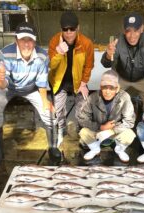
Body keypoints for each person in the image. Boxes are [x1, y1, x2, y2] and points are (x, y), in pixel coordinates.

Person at [0, 22, 60, 166]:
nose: (26, 44)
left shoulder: (42, 55)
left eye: (30, 40)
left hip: (32, 88)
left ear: (35, 41)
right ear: (16, 40)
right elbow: (3, 84)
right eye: (23, 40)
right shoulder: (6, 53)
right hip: (9, 87)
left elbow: (41, 82)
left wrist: (45, 102)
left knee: (50, 113)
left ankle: (53, 147)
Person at [48, 11, 94, 147]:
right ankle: (61, 130)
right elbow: (52, 65)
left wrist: (84, 83)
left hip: (78, 82)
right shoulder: (54, 41)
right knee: (59, 109)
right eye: (65, 29)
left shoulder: (86, 43)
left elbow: (89, 65)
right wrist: (59, 52)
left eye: (72, 29)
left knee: (82, 108)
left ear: (78, 28)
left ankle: (82, 133)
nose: (68, 33)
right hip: (59, 82)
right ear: (61, 29)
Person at [101, 13, 144, 108]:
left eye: (136, 30)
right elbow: (106, 64)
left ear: (142, 28)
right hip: (121, 77)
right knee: (113, 103)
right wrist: (108, 55)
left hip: (142, 78)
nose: (132, 35)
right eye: (128, 31)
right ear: (124, 30)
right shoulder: (117, 41)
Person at [76, 70, 136, 163]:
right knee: (83, 132)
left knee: (130, 134)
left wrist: (112, 130)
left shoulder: (124, 97)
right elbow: (82, 119)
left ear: (117, 88)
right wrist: (100, 127)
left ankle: (119, 149)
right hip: (98, 133)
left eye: (111, 88)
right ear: (100, 87)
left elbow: (129, 121)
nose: (107, 92)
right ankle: (95, 149)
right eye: (104, 87)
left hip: (115, 133)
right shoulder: (93, 97)